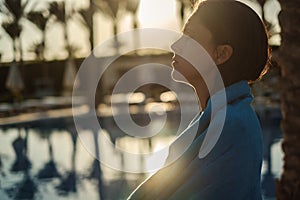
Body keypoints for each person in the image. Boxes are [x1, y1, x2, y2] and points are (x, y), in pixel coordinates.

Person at [128, 0, 270, 199]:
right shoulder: (218, 119)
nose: (175, 44)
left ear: (221, 54)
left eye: (190, 37)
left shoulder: (233, 125)